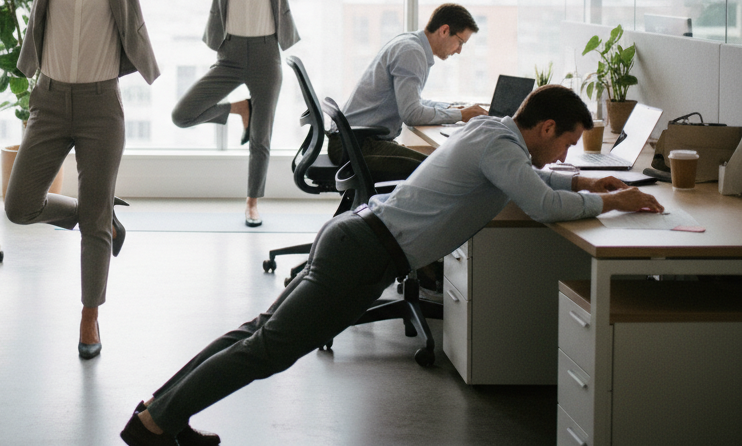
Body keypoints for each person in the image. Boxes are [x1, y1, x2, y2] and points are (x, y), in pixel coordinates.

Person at [120, 85, 663, 446]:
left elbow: (532, 180)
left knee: (256, 335)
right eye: (568, 142)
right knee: (267, 349)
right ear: (546, 127)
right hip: (364, 254)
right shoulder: (500, 146)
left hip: (357, 238)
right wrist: (612, 200)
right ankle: (156, 422)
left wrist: (586, 181)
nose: (565, 155)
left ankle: (160, 413)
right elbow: (541, 203)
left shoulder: (494, 134)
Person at [3, 0, 159, 359]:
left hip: (99, 107)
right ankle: (100, 219)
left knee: (92, 223)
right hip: (48, 103)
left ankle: (90, 316)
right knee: (19, 205)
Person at [171, 0, 299, 227]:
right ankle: (238, 109)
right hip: (229, 55)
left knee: (260, 138)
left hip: (266, 57)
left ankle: (252, 202)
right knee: (182, 114)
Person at [332, 2, 487, 182]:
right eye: (460, 42)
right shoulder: (412, 52)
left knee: (436, 165)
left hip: (352, 140)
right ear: (445, 30)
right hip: (356, 145)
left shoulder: (411, 44)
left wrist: (452, 108)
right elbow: (412, 114)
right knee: (437, 172)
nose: (459, 51)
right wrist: (460, 115)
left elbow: (414, 102)